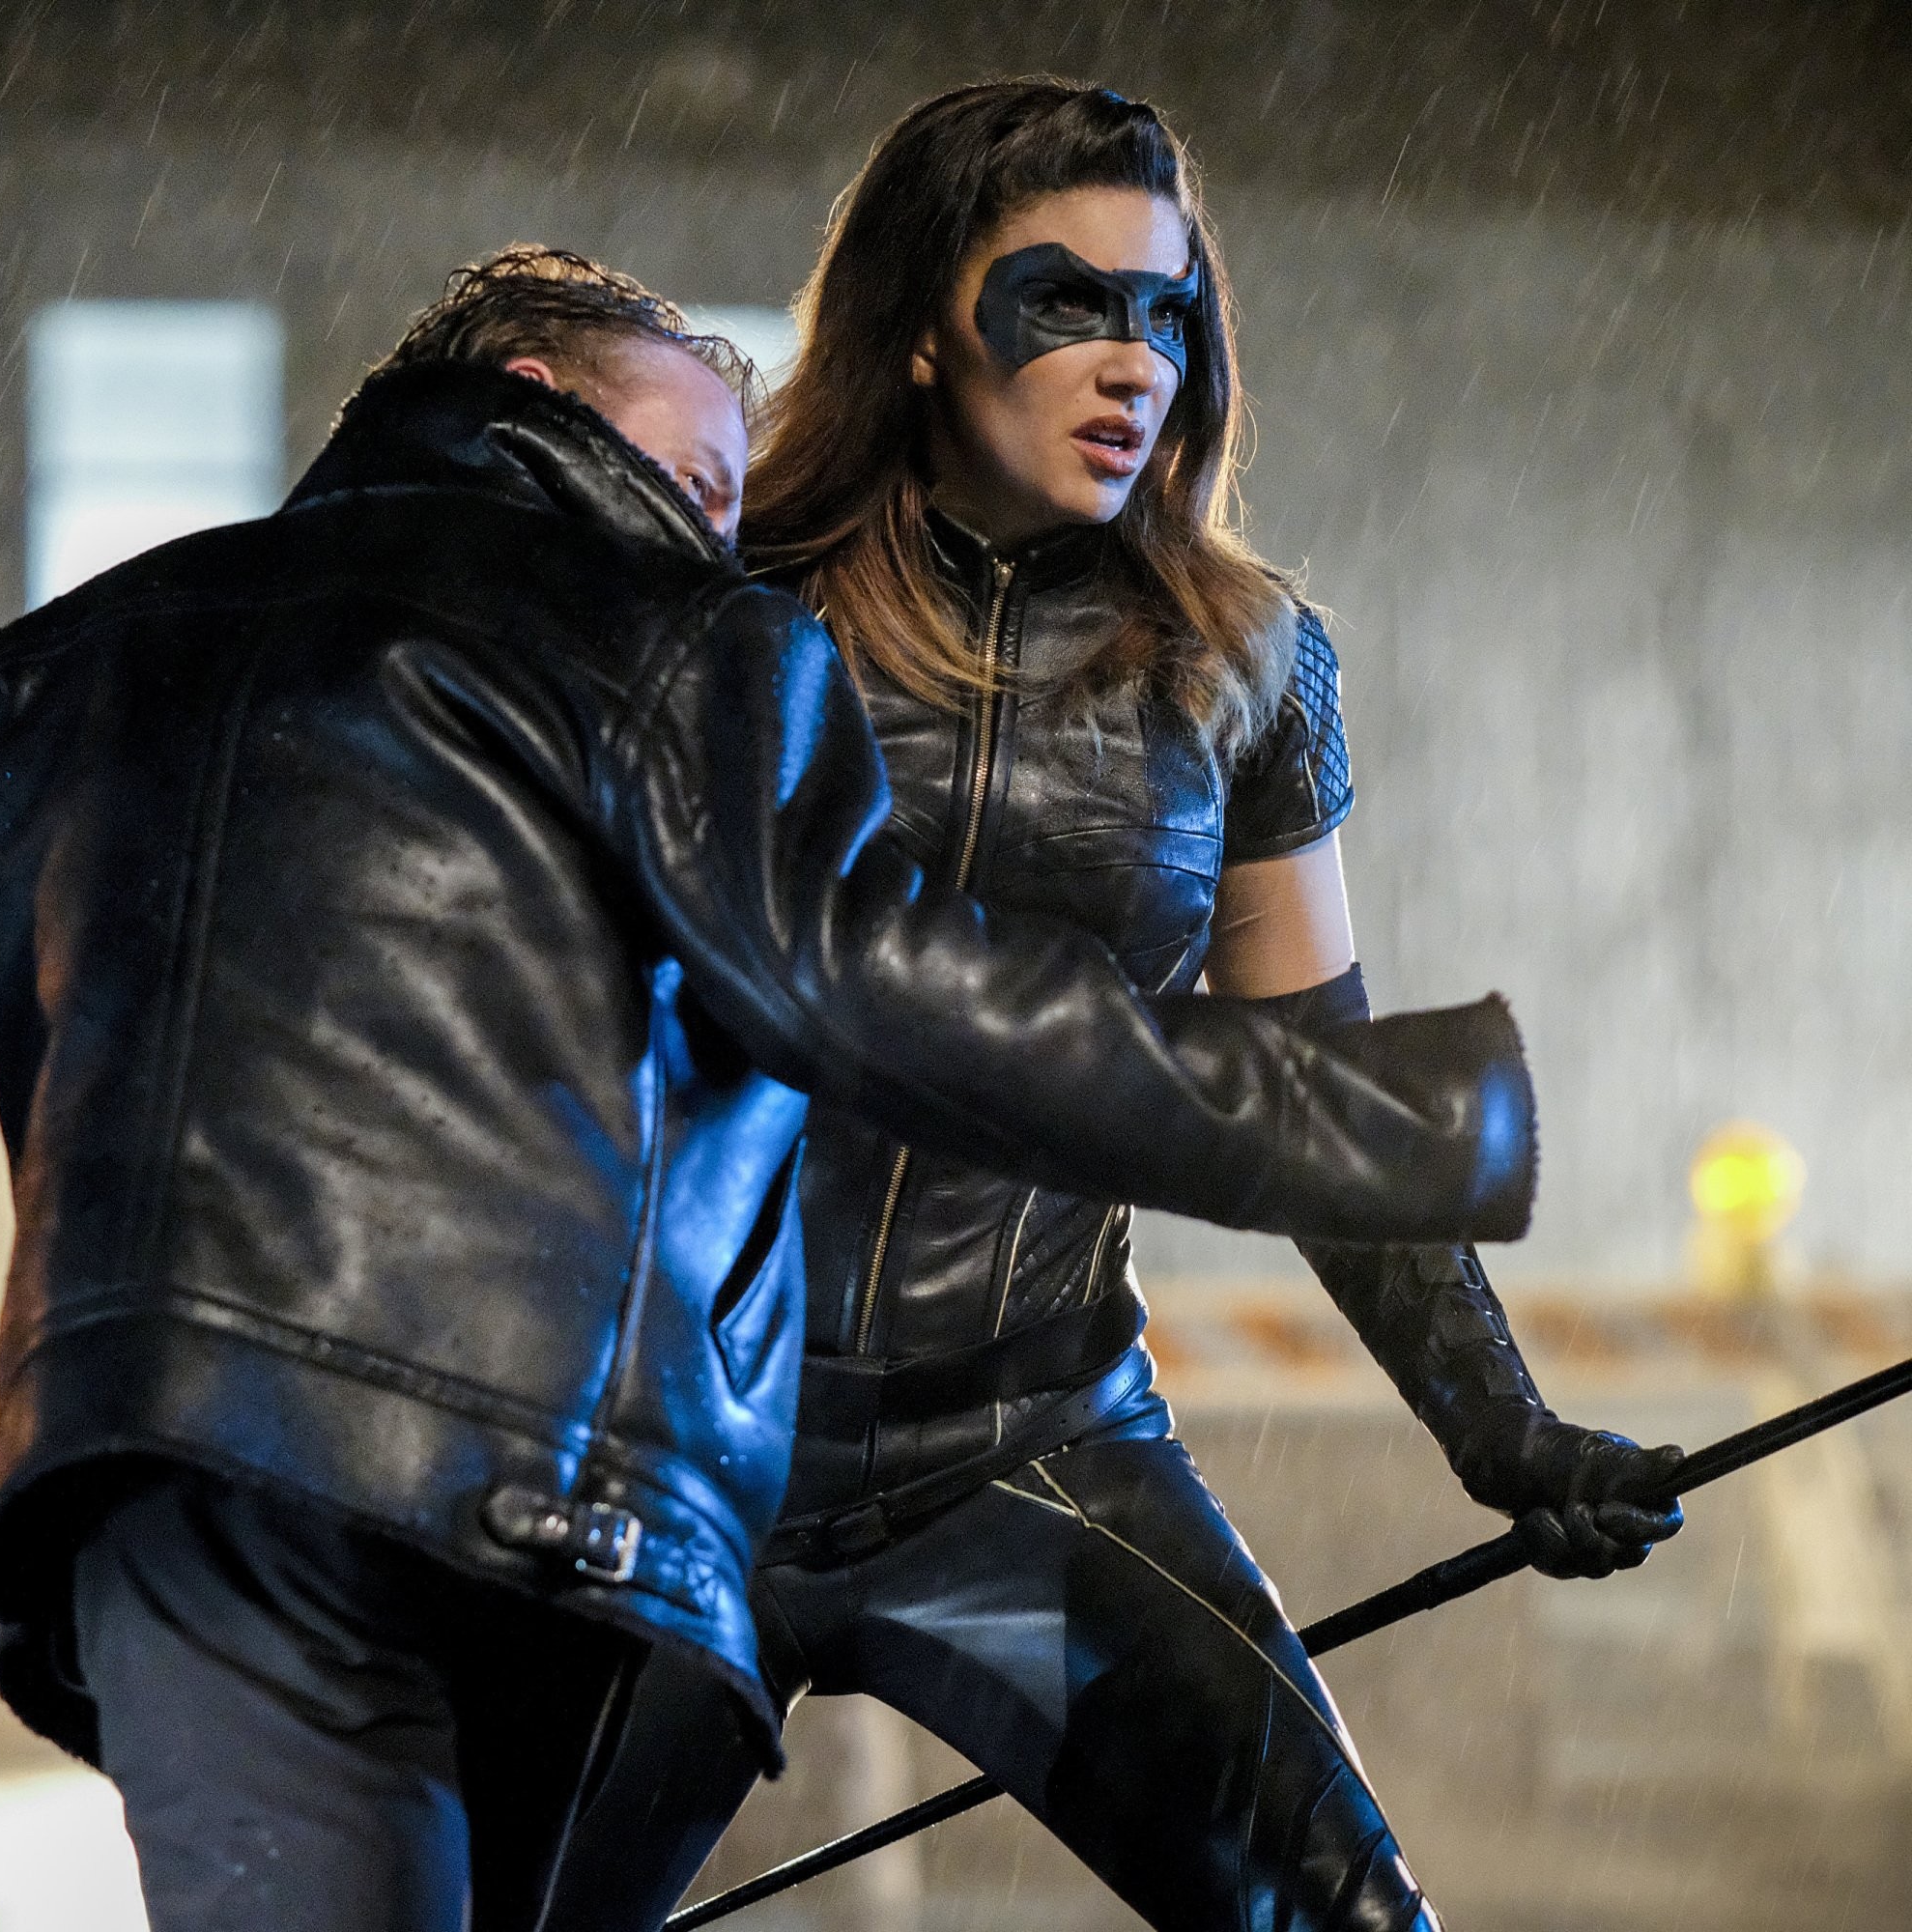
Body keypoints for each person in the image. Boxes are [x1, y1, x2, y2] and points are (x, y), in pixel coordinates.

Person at [0, 249, 1539, 1932]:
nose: (730, 526)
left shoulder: (54, 669)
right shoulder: (686, 646)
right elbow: (888, 995)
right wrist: (1386, 1121)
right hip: (559, 1511)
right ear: (534, 390)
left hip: (191, 1475)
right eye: (704, 462)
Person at [542, 84, 1686, 1932]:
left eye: (1166, 314)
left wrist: (1504, 1428)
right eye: (1064, 302)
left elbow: (1305, 1091)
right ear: (922, 323)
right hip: (673, 1462)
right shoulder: (703, 602)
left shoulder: (1245, 664)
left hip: (1025, 1465)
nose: (1132, 360)